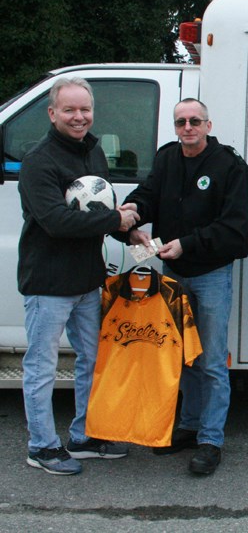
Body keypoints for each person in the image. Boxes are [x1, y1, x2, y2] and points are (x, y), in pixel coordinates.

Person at [125, 98, 248, 475]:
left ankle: (211, 440)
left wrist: (187, 244)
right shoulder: (167, 159)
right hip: (173, 275)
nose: (188, 127)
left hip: (210, 275)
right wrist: (132, 213)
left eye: (195, 121)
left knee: (212, 360)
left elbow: (235, 228)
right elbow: (148, 195)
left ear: (208, 125)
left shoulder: (230, 166)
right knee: (182, 358)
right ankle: (189, 426)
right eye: (181, 121)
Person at [18, 77, 139, 475]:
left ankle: (84, 436)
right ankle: (42, 446)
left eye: (84, 109)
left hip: (88, 279)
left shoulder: (94, 150)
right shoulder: (39, 160)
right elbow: (55, 220)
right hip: (49, 282)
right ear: (52, 113)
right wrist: (114, 219)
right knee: (42, 365)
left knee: (92, 359)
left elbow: (99, 208)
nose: (78, 117)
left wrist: (125, 227)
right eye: (69, 110)